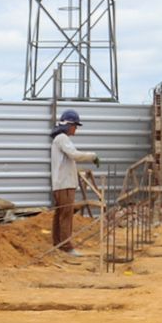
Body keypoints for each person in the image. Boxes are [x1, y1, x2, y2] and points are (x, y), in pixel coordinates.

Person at [50, 109, 99, 255]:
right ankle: (67, 247)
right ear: (68, 124)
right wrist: (92, 156)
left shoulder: (59, 139)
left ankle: (58, 242)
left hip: (61, 184)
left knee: (60, 214)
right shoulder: (62, 138)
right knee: (66, 215)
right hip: (64, 185)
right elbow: (74, 155)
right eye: (75, 126)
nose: (76, 129)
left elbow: (68, 160)